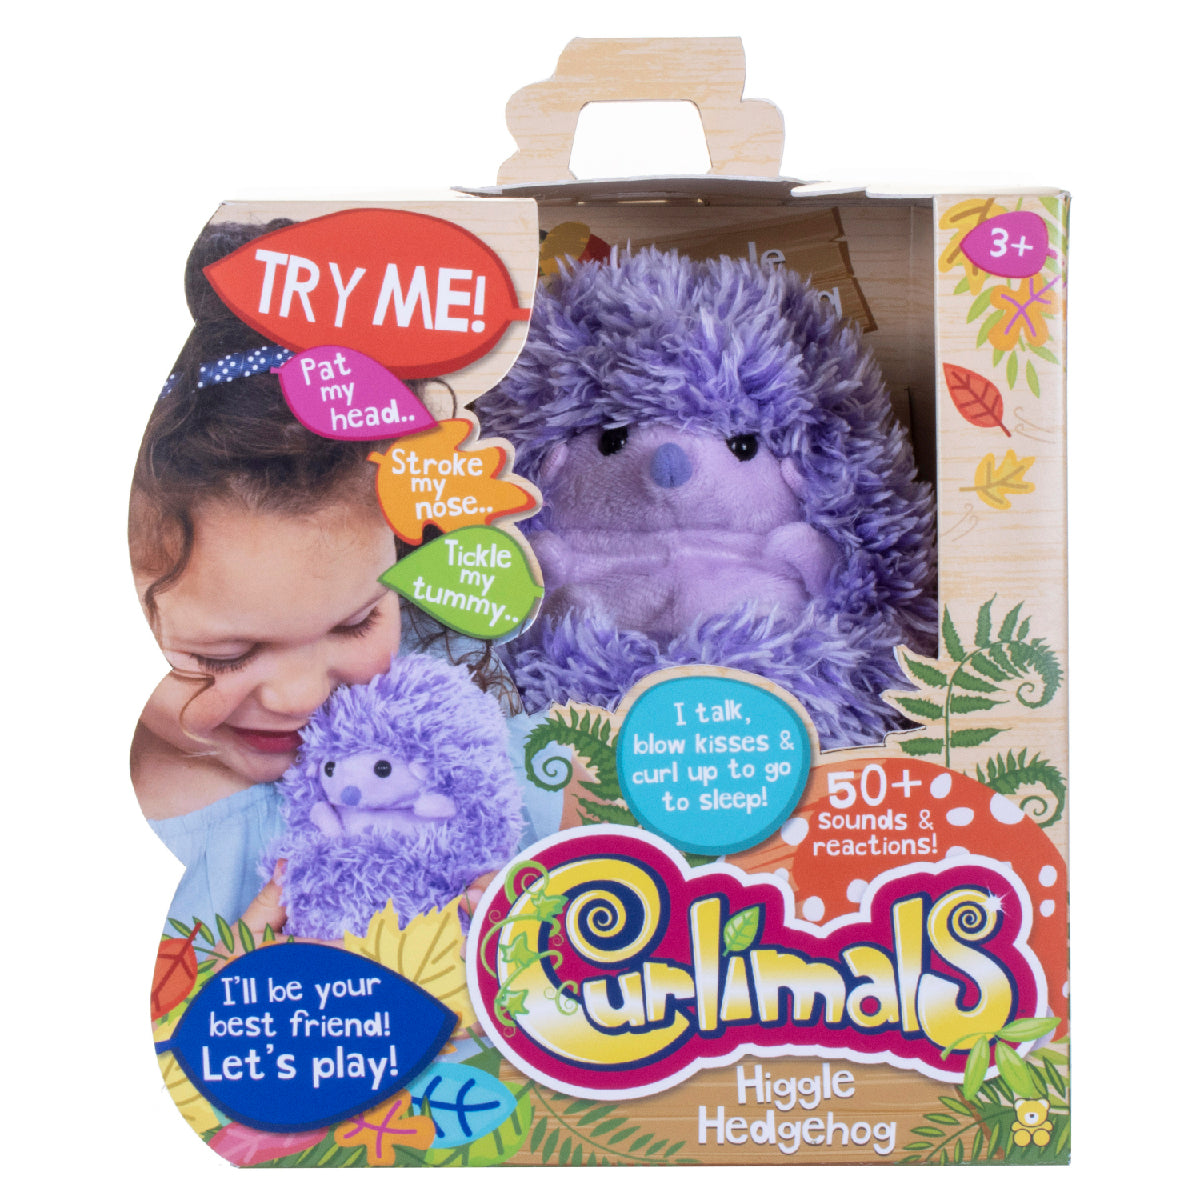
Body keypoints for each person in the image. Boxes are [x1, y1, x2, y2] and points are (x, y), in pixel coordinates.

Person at [130, 219, 556, 940]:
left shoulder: (456, 746)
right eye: (223, 656)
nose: (300, 698)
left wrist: (536, 920)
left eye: (358, 621)